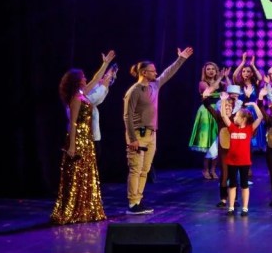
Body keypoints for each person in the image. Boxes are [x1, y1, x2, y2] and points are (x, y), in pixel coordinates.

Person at [123, 46, 193, 215]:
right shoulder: (134, 91)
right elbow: (127, 116)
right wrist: (132, 139)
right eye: (152, 71)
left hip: (151, 134)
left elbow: (168, 73)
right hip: (138, 134)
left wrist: (181, 59)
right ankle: (132, 203)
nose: (156, 73)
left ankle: (138, 200)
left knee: (145, 169)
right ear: (144, 72)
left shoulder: (154, 86)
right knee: (136, 169)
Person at [51, 51, 115, 225]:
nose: (86, 79)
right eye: (83, 77)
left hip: (86, 139)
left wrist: (105, 64)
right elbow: (72, 123)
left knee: (86, 174)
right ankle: (73, 210)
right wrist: (72, 145)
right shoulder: (76, 98)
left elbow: (95, 79)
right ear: (77, 81)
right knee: (76, 175)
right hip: (78, 138)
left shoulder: (82, 93)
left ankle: (84, 209)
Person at [220, 100, 262, 216]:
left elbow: (260, 117)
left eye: (236, 116)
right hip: (232, 161)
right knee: (232, 184)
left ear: (243, 119)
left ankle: (245, 208)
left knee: (244, 185)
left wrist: (254, 105)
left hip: (244, 162)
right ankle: (231, 207)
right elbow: (223, 115)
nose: (234, 118)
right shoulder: (232, 127)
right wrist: (223, 101)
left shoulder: (249, 129)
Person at [86, 62, 117, 162]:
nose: (85, 79)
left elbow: (98, 99)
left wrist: (106, 82)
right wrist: (105, 83)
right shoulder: (79, 96)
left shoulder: (94, 90)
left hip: (94, 136)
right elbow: (92, 100)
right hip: (85, 137)